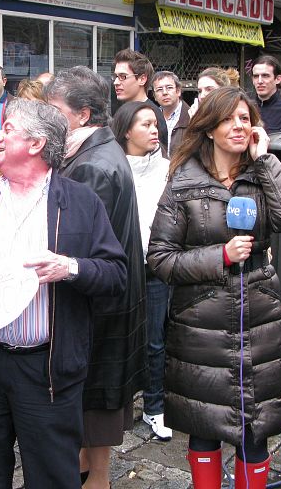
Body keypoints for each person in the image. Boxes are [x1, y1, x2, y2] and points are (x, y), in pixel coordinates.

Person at [0, 98, 128, 489]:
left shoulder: (79, 202)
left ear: (35, 143)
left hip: (46, 372)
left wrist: (70, 267)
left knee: (52, 478)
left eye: (8, 129)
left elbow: (116, 276)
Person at [147, 87, 281, 489]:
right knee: (205, 424)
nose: (238, 126)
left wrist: (265, 158)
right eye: (228, 119)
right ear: (208, 128)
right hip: (201, 320)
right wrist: (220, 255)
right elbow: (160, 258)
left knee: (256, 428)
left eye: (245, 119)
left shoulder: (261, 173)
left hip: (260, 314)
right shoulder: (183, 181)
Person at [45, 67, 147, 489]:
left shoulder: (92, 165)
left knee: (96, 396)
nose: (47, 118)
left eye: (54, 110)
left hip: (101, 305)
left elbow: (83, 247)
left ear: (83, 114)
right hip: (107, 299)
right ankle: (87, 466)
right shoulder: (95, 151)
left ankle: (97, 478)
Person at [110, 101, 172, 442]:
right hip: (120, 265)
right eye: (145, 124)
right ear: (126, 131)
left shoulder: (167, 169)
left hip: (154, 266)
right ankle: (115, 407)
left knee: (155, 340)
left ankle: (154, 406)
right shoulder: (112, 167)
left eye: (155, 124)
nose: (153, 130)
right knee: (117, 336)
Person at [113, 48, 168, 152]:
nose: (116, 82)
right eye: (116, 76)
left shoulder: (153, 114)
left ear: (142, 79)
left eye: (123, 76)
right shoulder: (123, 111)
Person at [251, 55, 281, 133]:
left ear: (278, 79)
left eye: (265, 76)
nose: (260, 81)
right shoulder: (246, 107)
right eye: (256, 76)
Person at [152, 70, 189, 156]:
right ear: (154, 96)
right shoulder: (152, 117)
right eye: (159, 89)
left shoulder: (191, 116)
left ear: (178, 91)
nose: (164, 93)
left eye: (169, 88)